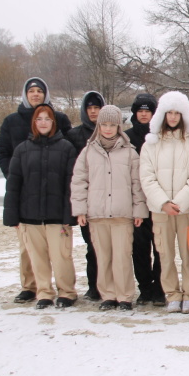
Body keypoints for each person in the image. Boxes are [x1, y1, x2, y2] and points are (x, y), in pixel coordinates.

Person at [0, 77, 71, 304]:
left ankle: (65, 290)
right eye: (32, 91)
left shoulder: (60, 120)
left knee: (60, 253)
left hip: (54, 196)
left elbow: (70, 158)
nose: (36, 94)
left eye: (40, 91)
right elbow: (2, 152)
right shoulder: (12, 122)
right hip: (27, 197)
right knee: (28, 250)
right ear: (25, 95)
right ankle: (32, 287)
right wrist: (15, 175)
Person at [71, 105, 148, 311]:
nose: (107, 129)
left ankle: (124, 296)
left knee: (122, 257)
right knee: (103, 257)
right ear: (98, 126)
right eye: (104, 124)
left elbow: (137, 184)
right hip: (97, 214)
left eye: (112, 125)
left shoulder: (130, 153)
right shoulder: (88, 152)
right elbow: (79, 182)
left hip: (123, 215)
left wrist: (139, 210)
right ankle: (108, 295)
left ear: (118, 127)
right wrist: (80, 210)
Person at [139, 91, 189, 314]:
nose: (173, 117)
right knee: (165, 254)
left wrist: (180, 203)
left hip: (186, 210)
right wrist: (164, 202)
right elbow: (146, 177)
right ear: (163, 115)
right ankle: (173, 294)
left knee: (188, 254)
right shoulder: (151, 145)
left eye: (178, 113)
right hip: (161, 210)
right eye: (170, 113)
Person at [125, 93, 166, 306]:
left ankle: (159, 288)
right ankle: (145, 288)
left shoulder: (161, 135)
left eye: (147, 111)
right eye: (140, 111)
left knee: (160, 247)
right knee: (139, 249)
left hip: (159, 199)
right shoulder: (126, 137)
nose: (143, 114)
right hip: (136, 201)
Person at [66, 90, 106, 301]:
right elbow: (73, 173)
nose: (93, 112)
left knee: (109, 247)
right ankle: (94, 287)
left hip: (108, 199)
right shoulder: (74, 136)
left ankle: (109, 285)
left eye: (96, 108)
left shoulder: (112, 133)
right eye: (89, 108)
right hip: (88, 200)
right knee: (91, 247)